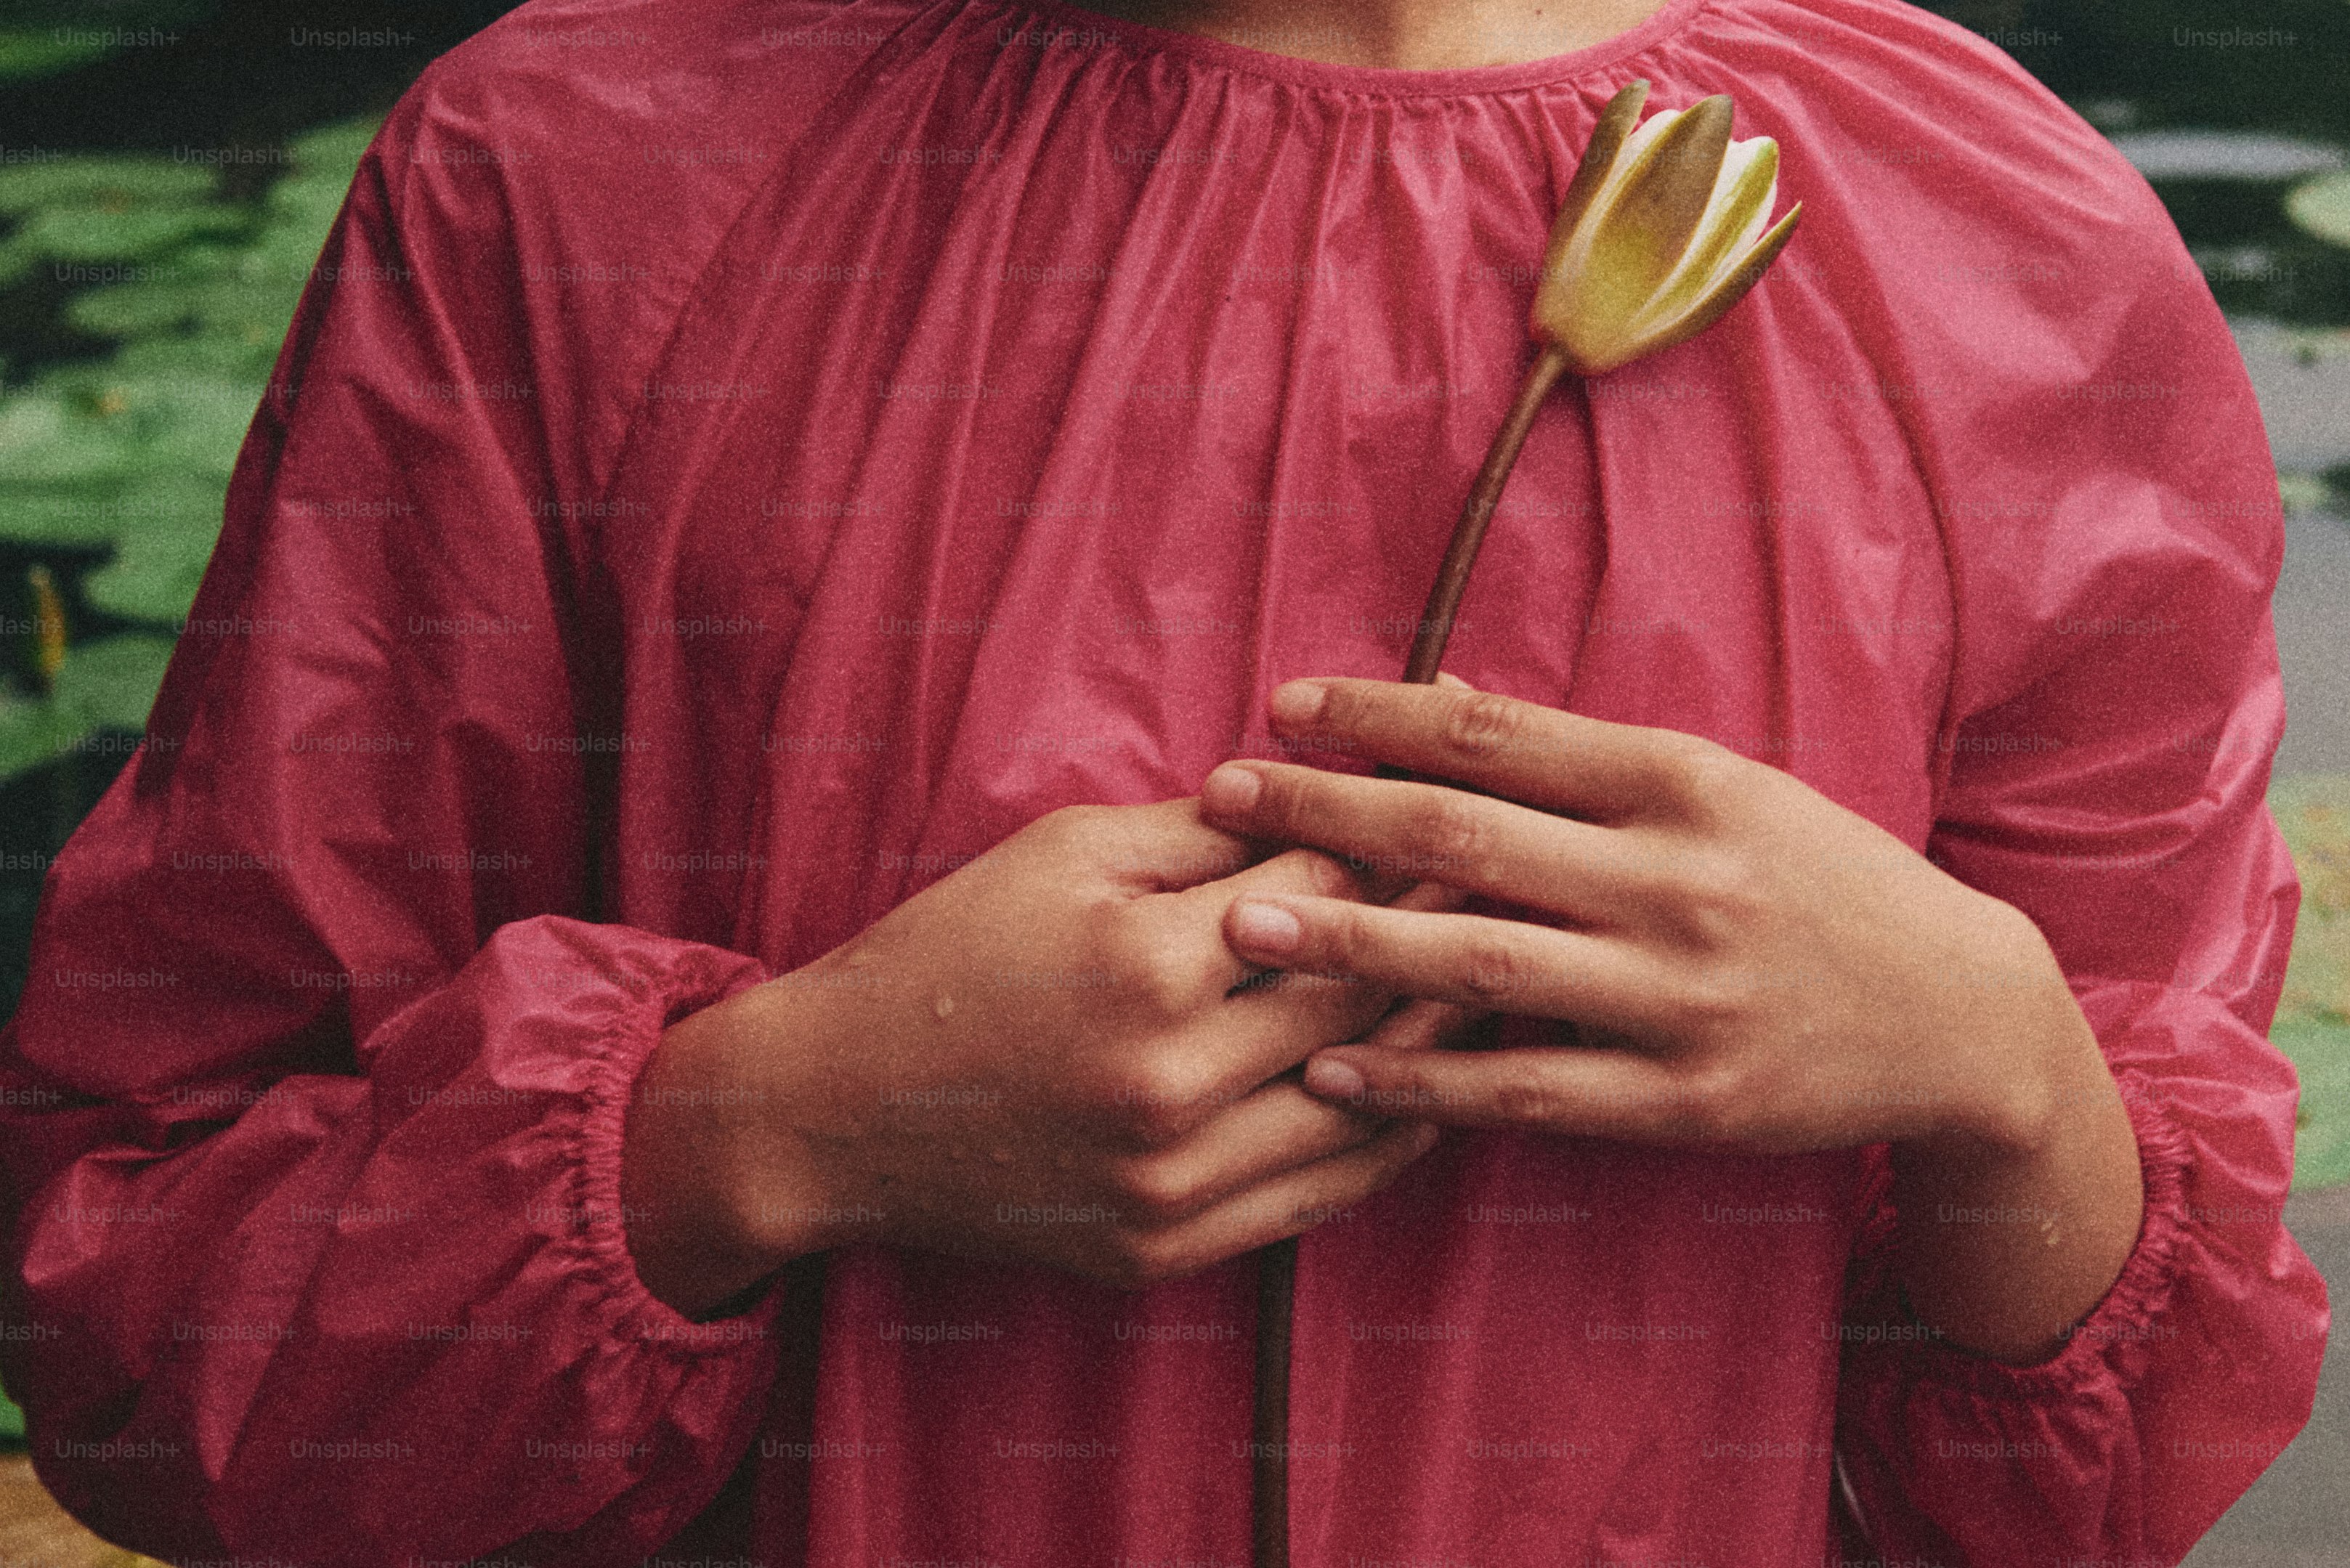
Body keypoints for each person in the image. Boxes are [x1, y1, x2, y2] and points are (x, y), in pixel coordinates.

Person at [0, 0, 2326, 1562]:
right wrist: (762, 1126)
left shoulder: (2002, 241)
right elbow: (128, 1294)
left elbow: (2080, 1480)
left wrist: (2001, 1066)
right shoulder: (582, 177)